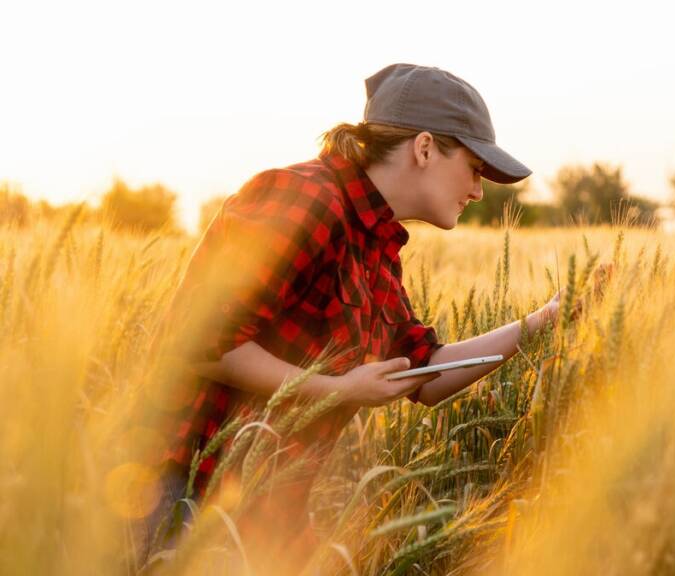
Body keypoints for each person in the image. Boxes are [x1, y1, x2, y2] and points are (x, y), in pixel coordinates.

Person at [135, 63, 563, 570]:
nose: (478, 192)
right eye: (474, 168)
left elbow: (424, 371)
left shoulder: (374, 240)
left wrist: (548, 319)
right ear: (424, 148)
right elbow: (202, 344)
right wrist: (339, 390)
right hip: (181, 495)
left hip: (263, 510)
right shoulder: (304, 197)